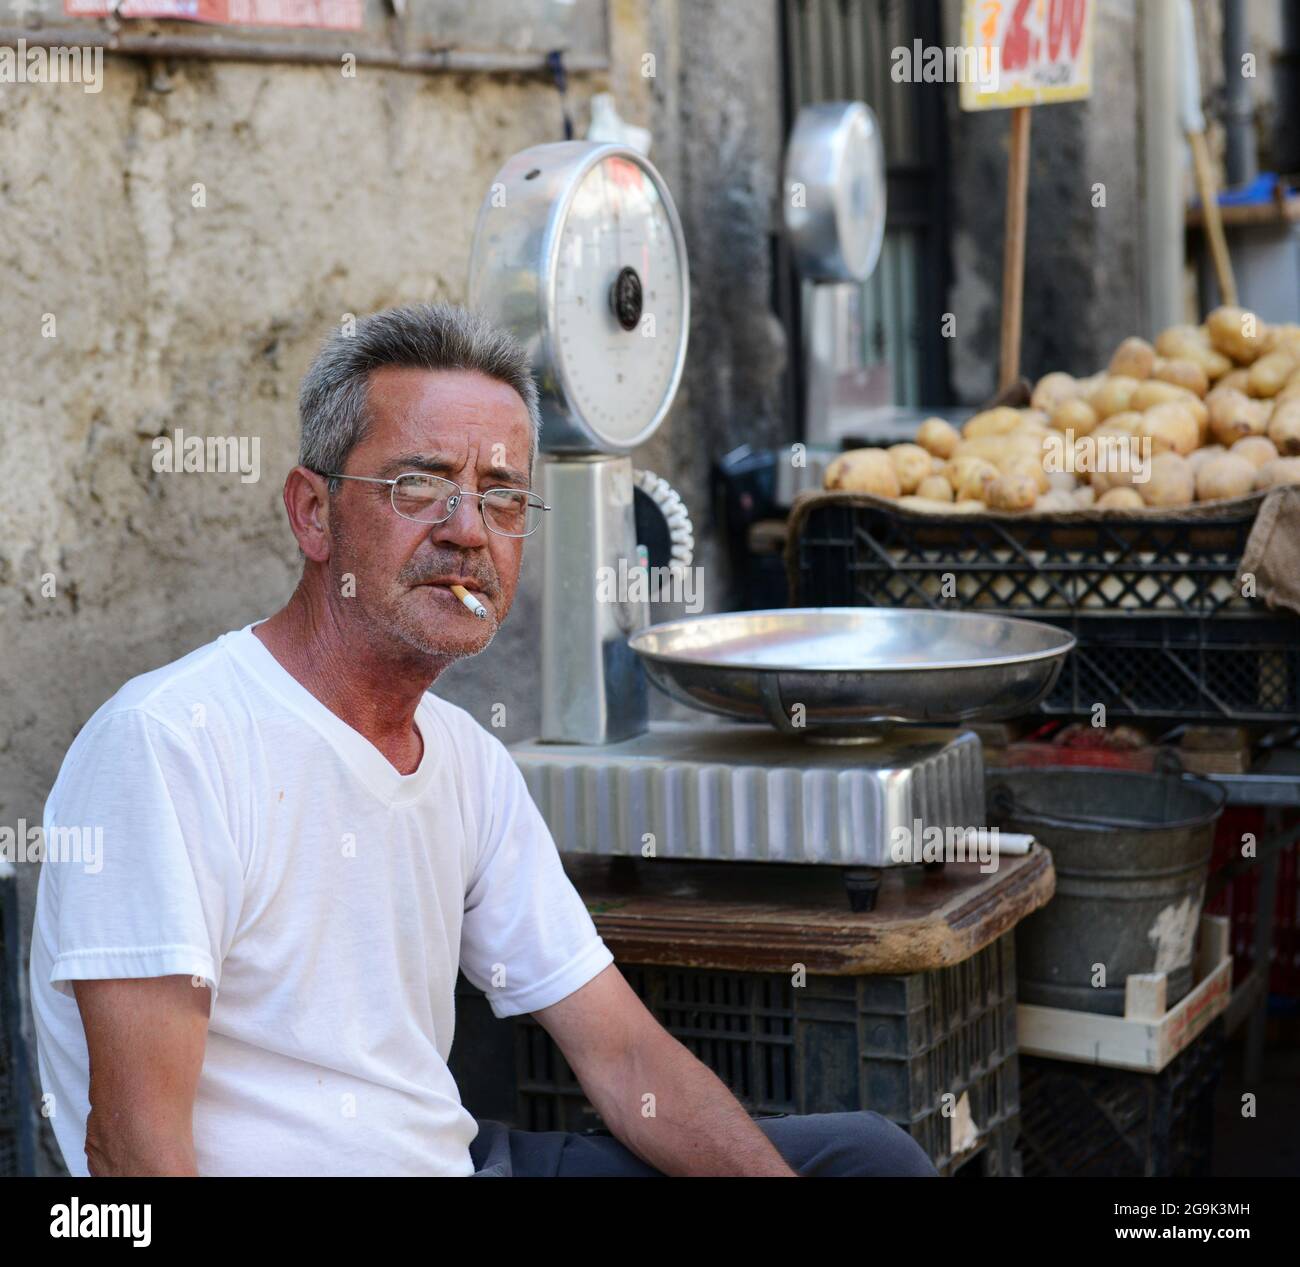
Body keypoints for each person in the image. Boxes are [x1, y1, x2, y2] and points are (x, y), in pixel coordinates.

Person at [29, 304, 937, 1178]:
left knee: (866, 1157)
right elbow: (131, 1154)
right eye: (418, 483)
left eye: (501, 496)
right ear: (312, 513)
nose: (467, 531)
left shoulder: (465, 759)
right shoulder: (170, 744)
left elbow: (621, 1057)